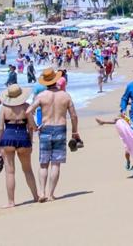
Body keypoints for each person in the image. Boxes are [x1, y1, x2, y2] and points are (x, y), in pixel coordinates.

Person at [28, 68, 80, 201]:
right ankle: (51, 194)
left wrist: (34, 127)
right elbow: (73, 116)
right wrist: (74, 132)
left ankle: (42, 192)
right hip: (60, 128)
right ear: (56, 80)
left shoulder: (41, 96)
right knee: (56, 163)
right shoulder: (65, 95)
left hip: (45, 128)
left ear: (45, 82)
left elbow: (28, 111)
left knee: (43, 163)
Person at [0, 83, 39, 207]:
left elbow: (0, 128)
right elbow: (31, 126)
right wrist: (30, 140)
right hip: (22, 137)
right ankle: (36, 196)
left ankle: (11, 202)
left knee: (10, 172)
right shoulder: (26, 106)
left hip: (7, 137)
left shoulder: (4, 108)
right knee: (27, 170)